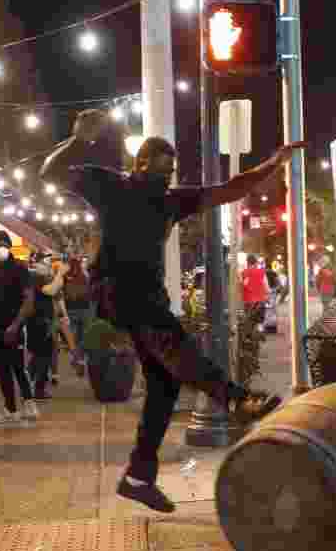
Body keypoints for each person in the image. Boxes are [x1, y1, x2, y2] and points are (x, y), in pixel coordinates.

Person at [40, 108, 302, 512]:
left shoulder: (171, 201)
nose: (168, 178)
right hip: (115, 289)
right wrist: (78, 140)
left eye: (172, 172)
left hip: (148, 294)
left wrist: (274, 162)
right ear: (141, 164)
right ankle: (234, 399)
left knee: (164, 383)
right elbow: (49, 172)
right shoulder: (110, 186)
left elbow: (230, 189)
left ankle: (137, 476)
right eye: (163, 169)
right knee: (172, 340)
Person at [0, 231, 39, 423]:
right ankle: (10, 409)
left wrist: (15, 326)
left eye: (4, 244)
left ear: (10, 247)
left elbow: (29, 301)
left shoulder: (20, 269)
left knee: (18, 366)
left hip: (14, 326)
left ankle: (30, 403)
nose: (0, 248)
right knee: (1, 369)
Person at [25, 253, 58, 400]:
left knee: (37, 356)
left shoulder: (32, 279)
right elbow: (53, 289)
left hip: (35, 323)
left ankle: (27, 385)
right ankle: (38, 390)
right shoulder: (42, 283)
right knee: (44, 357)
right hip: (42, 324)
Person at [62, 256, 92, 368]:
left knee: (73, 336)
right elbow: (89, 292)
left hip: (71, 309)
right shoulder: (84, 276)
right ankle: (80, 358)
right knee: (82, 336)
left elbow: (62, 292)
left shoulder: (66, 276)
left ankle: (76, 358)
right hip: (84, 309)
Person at [241, 254, 270, 329]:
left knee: (249, 320)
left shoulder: (244, 273)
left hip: (248, 301)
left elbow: (244, 284)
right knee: (260, 321)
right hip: (260, 300)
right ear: (256, 262)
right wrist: (268, 295)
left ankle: (250, 336)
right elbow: (266, 286)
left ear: (247, 262)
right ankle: (260, 332)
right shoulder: (261, 272)